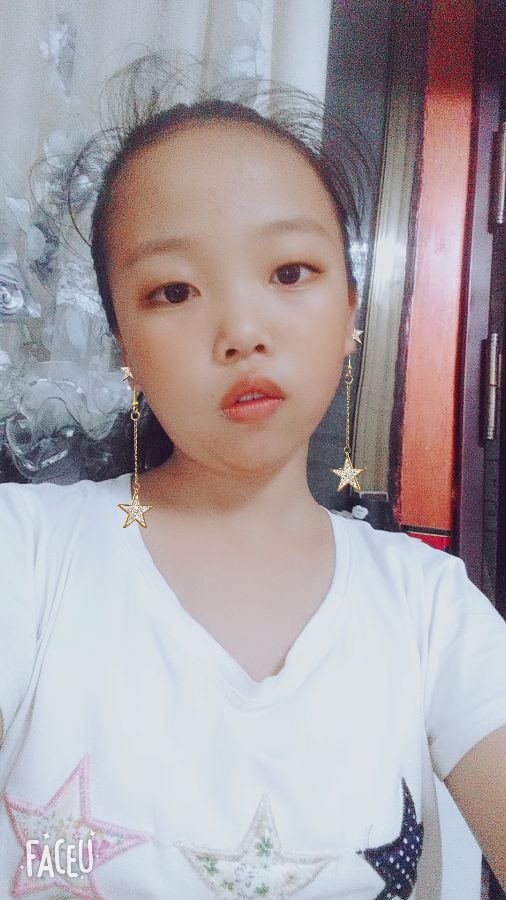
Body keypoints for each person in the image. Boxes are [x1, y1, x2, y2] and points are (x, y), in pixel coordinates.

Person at [0, 56, 505, 899]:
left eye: (289, 272)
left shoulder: (430, 610)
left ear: (350, 311)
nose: (241, 329)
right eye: (173, 290)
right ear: (125, 348)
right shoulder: (26, 556)